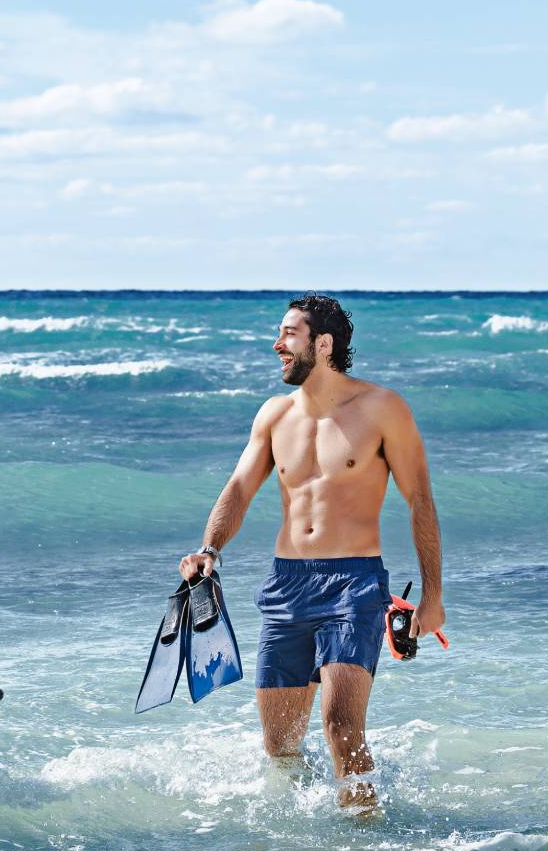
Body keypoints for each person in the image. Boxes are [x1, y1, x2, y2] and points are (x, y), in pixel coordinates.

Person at [179, 294, 445, 807]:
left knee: (342, 728)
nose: (277, 345)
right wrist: (209, 548)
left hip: (354, 584)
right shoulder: (275, 416)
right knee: (279, 745)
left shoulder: (382, 409)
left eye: (288, 335)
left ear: (323, 345)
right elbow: (238, 488)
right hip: (286, 587)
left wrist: (432, 594)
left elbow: (420, 502)